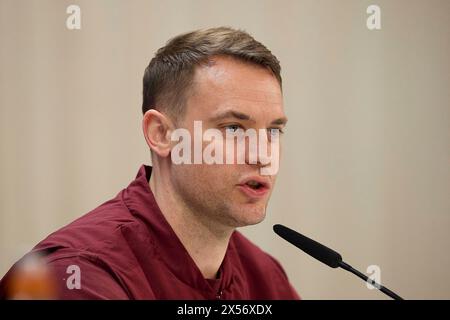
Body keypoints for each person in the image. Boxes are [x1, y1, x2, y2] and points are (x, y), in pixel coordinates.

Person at [0, 27, 300, 300]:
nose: (263, 156)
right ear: (161, 134)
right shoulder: (76, 276)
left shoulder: (264, 277)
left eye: (274, 130)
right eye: (233, 128)